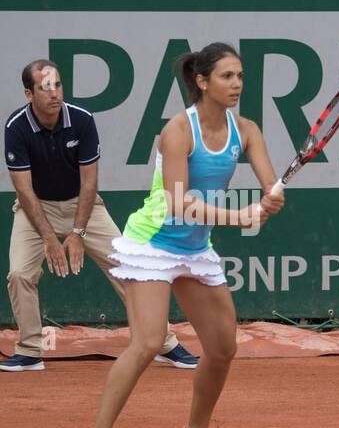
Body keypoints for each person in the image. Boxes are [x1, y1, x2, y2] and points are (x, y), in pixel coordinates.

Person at [74, 43, 284, 428]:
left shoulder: (245, 130)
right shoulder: (177, 131)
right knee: (148, 342)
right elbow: (179, 203)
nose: (238, 85)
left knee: (223, 348)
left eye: (241, 76)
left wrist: (274, 196)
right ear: (203, 82)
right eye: (227, 76)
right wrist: (241, 216)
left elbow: (270, 185)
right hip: (153, 245)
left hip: (194, 249)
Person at [3, 59, 198, 372]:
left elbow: (89, 181)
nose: (54, 94)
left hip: (84, 205)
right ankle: (29, 350)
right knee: (20, 274)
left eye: (58, 85)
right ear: (29, 94)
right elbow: (24, 190)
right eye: (44, 88)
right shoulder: (16, 128)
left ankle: (164, 344)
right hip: (35, 208)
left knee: (129, 267)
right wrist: (49, 237)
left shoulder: (80, 119)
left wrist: (78, 233)